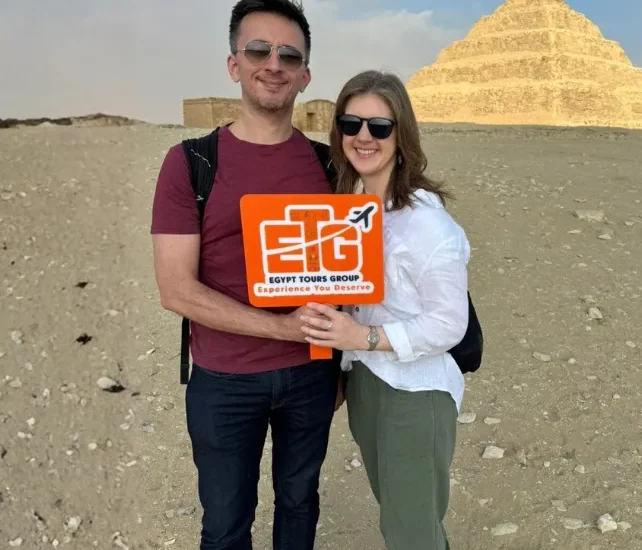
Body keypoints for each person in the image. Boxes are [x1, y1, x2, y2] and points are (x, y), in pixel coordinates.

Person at [149, 1, 342, 548]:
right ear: (234, 64)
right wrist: (283, 329)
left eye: (289, 55)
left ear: (305, 75)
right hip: (225, 381)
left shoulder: (332, 166)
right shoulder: (191, 163)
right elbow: (176, 289)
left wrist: (340, 364)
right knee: (227, 523)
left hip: (312, 377)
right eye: (258, 50)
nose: (273, 64)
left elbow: (345, 269)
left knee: (300, 506)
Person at [297, 69, 471, 550]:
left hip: (413, 393)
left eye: (380, 126)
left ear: (402, 134)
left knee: (411, 534)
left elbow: (449, 323)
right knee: (401, 519)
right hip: (368, 384)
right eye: (351, 124)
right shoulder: (355, 211)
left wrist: (362, 338)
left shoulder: (427, 224)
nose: (363, 137)